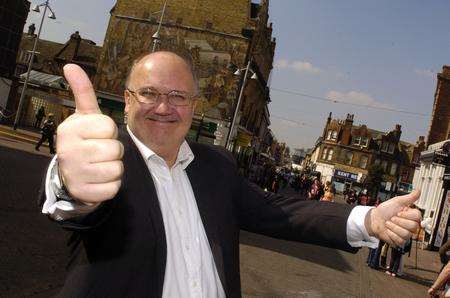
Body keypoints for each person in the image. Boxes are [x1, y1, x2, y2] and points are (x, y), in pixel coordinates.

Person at [40, 51, 422, 297]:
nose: (163, 107)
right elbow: (78, 201)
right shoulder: (109, 162)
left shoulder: (217, 166)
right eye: (149, 93)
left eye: (178, 96)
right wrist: (72, 183)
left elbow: (280, 211)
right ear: (126, 100)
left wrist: (368, 219)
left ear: (193, 107)